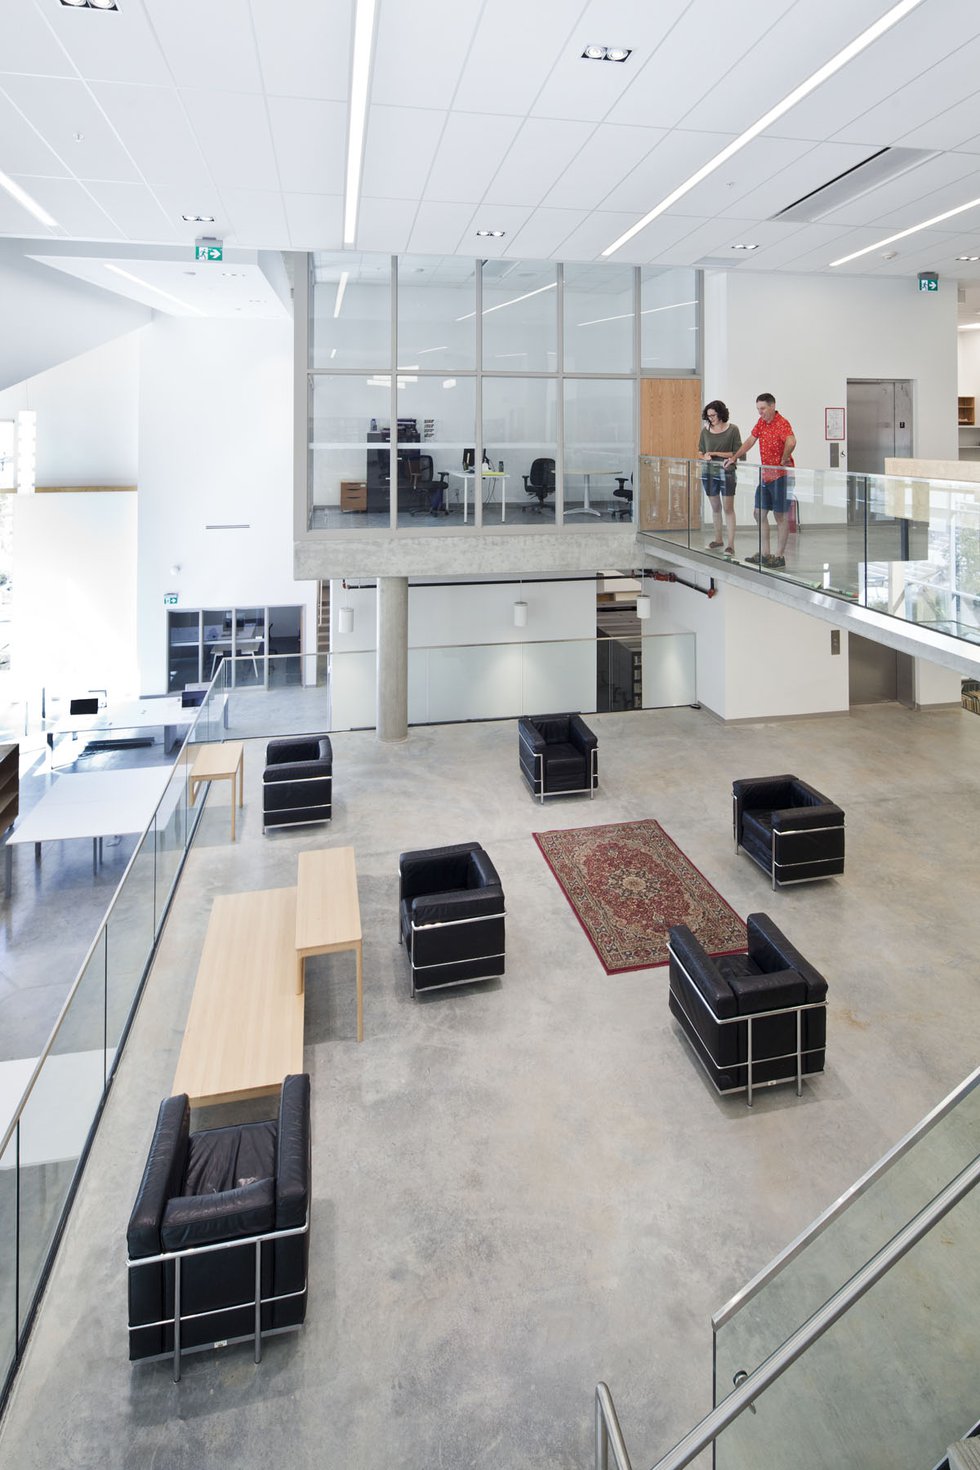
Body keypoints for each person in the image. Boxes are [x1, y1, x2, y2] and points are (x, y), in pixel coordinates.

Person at [725, 393, 796, 568]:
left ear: (772, 406)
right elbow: (750, 440)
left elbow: (792, 441)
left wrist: (784, 458)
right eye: (758, 409)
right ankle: (765, 553)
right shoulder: (762, 423)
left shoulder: (782, 423)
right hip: (766, 476)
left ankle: (779, 556)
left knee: (780, 516)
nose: (760, 412)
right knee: (758, 513)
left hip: (781, 476)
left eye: (763, 409)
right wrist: (735, 457)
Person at [697, 400, 740, 555]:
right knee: (715, 507)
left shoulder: (733, 430)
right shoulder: (705, 430)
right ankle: (718, 539)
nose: (711, 419)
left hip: (726, 472)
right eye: (708, 416)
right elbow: (700, 452)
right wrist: (705, 456)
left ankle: (731, 544)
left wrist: (715, 454)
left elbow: (736, 453)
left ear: (721, 413)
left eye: (713, 415)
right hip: (708, 472)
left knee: (728, 508)